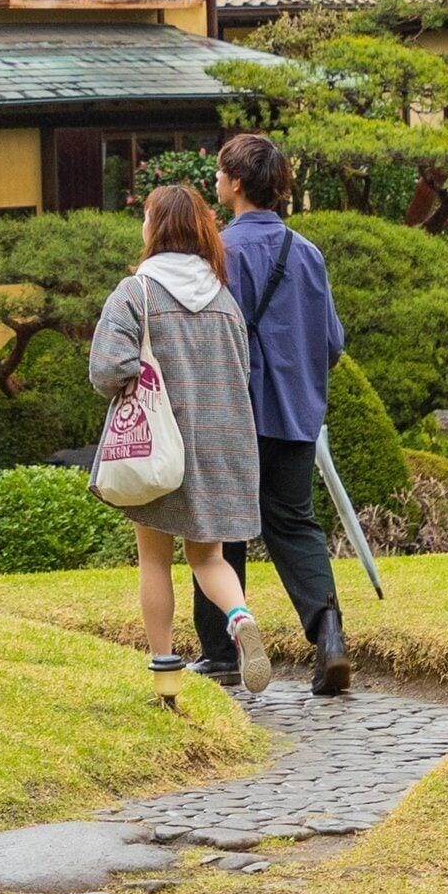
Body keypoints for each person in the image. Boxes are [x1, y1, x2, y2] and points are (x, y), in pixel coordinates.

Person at [87, 182, 271, 695]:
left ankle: (165, 670)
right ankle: (239, 618)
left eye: (146, 218)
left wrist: (136, 378)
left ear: (156, 229)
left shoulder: (137, 293)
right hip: (220, 444)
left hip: (159, 447)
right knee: (208, 557)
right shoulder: (223, 298)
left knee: (153, 558)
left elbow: (107, 370)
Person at [193, 133, 351, 695]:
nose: (215, 182)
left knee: (218, 529)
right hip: (297, 415)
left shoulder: (219, 252)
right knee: (295, 523)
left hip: (236, 413)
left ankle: (220, 654)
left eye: (219, 173)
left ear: (236, 184)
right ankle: (329, 635)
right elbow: (332, 341)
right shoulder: (308, 253)